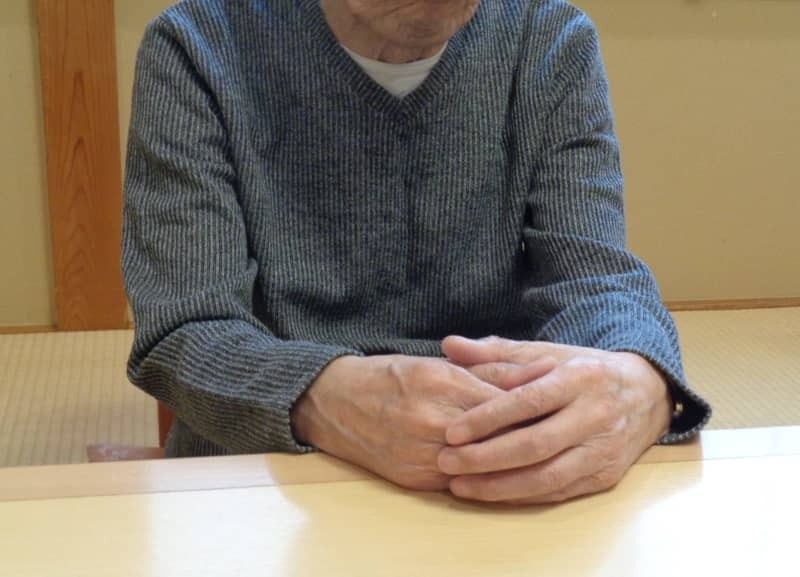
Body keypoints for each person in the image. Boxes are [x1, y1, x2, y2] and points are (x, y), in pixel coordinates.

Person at [122, 0, 711, 504]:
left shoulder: (547, 37)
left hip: (501, 464)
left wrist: (639, 381)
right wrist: (320, 396)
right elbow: (185, 328)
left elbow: (595, 278)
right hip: (261, 475)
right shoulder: (200, 44)